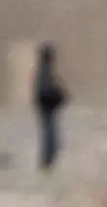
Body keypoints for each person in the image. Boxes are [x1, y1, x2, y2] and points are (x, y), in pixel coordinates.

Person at [33, 43, 67, 172]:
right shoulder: (44, 73)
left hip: (48, 108)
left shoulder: (45, 72)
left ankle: (47, 163)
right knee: (50, 138)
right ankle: (47, 164)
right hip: (47, 109)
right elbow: (43, 91)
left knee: (50, 137)